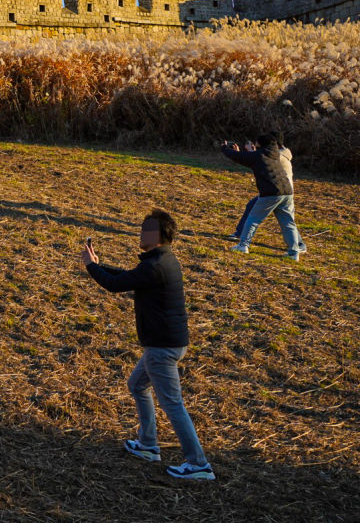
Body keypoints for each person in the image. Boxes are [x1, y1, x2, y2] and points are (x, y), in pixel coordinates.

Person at [81, 209, 215, 481]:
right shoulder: (162, 261)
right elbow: (128, 277)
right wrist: (99, 264)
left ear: (156, 236)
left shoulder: (155, 266)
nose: (140, 234)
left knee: (173, 404)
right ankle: (147, 445)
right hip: (166, 344)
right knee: (137, 385)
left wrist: (90, 266)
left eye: (145, 230)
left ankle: (198, 464)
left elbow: (115, 285)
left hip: (161, 349)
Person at [220, 132, 305, 261]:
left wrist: (225, 148)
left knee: (253, 219)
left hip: (271, 192)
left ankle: (243, 245)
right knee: (288, 223)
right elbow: (254, 158)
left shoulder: (259, 155)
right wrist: (249, 153)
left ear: (260, 144)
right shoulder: (275, 153)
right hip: (287, 191)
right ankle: (294, 252)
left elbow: (240, 157)